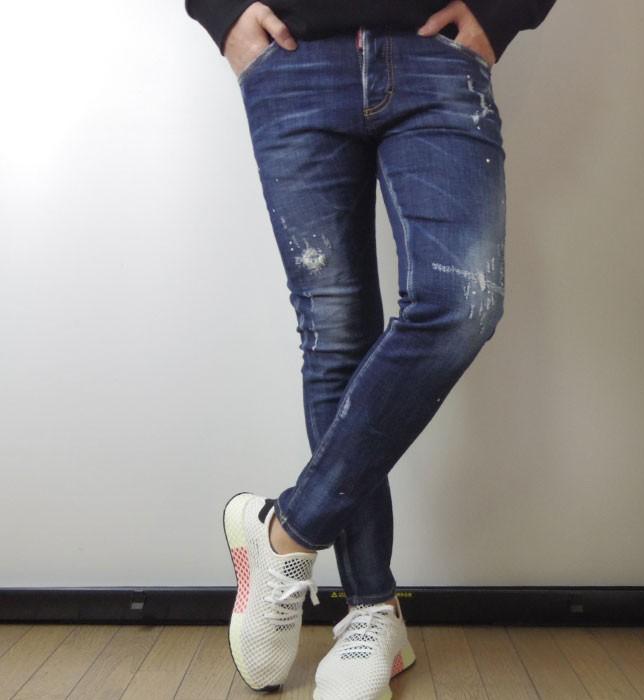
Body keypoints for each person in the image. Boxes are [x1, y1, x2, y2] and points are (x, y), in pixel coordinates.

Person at [186, 1, 557, 697]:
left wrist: (502, 10)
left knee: (462, 303)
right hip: (291, 62)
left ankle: (284, 536)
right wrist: (223, 11)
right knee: (334, 335)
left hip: (435, 54)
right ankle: (371, 611)